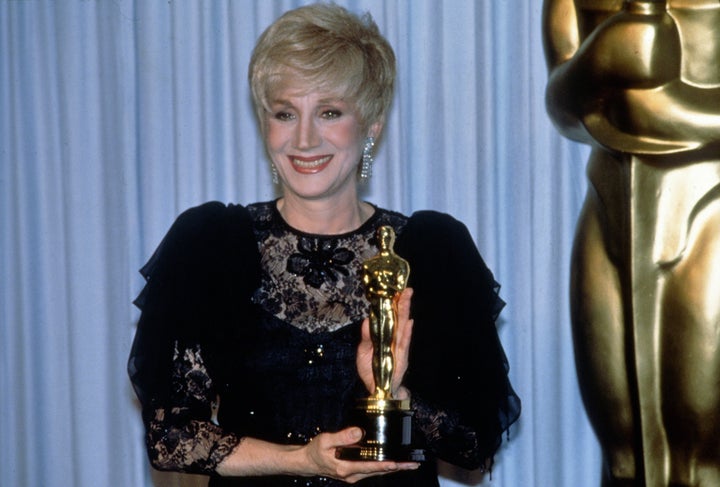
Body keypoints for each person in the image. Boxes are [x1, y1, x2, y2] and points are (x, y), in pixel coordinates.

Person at [128, 3, 520, 486]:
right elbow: (170, 436)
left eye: (330, 112)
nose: (305, 138)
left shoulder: (432, 251)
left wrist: (393, 392)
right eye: (285, 113)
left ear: (371, 124)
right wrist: (300, 459)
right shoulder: (209, 244)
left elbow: (474, 443)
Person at [543, 0, 720, 485]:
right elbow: (562, 107)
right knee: (623, 452)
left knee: (702, 456)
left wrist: (655, 110)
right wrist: (598, 58)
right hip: (610, 207)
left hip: (710, 205)